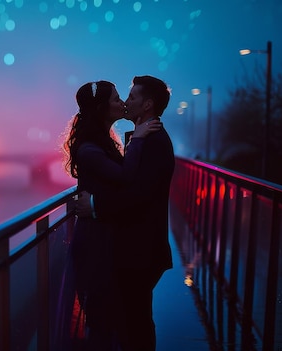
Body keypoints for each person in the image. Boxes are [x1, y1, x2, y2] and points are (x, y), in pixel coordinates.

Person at [62, 80, 162, 350]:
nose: (122, 103)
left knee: (111, 316)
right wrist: (138, 139)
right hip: (96, 243)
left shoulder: (103, 144)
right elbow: (125, 176)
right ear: (101, 108)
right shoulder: (90, 149)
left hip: (106, 239)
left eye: (124, 97)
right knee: (103, 317)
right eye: (117, 99)